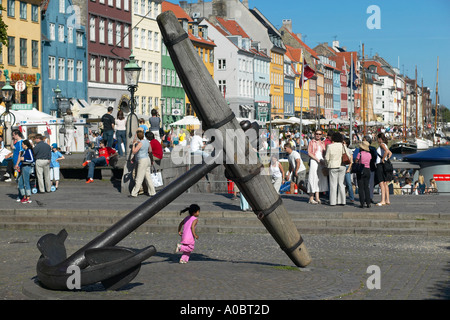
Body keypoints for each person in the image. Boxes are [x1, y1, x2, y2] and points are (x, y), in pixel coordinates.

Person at [325, 132, 351, 206]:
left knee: (333, 184)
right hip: (342, 166)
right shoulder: (343, 145)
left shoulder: (330, 146)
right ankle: (342, 201)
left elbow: (327, 158)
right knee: (342, 184)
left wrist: (327, 164)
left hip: (333, 166)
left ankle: (333, 201)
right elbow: (348, 156)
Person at [129, 130, 156, 197]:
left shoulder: (140, 143)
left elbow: (134, 151)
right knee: (148, 177)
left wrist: (133, 145)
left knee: (139, 178)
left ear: (138, 136)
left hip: (142, 161)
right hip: (147, 159)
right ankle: (153, 192)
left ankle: (134, 193)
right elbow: (150, 150)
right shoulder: (147, 142)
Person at [307, 129, 328, 204]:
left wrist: (324, 160)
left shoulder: (322, 143)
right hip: (314, 160)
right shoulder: (311, 142)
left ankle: (317, 197)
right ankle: (311, 198)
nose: (318, 135)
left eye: (319, 134)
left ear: (321, 135)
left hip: (321, 161)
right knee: (313, 177)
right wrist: (316, 159)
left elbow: (324, 152)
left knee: (320, 178)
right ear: (314, 134)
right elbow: (309, 153)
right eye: (317, 134)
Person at [375, 133, 392, 206]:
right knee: (385, 183)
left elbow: (387, 151)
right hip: (385, 165)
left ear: (379, 138)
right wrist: (387, 158)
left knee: (381, 182)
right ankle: (387, 199)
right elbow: (390, 152)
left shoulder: (382, 144)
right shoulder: (385, 144)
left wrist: (382, 159)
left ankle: (382, 200)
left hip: (380, 165)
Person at [354, 141, 372, 208]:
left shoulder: (360, 154)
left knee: (361, 187)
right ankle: (368, 202)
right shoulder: (369, 154)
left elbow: (356, 160)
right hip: (368, 170)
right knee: (366, 187)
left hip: (361, 170)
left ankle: (362, 203)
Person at [343, 138, 355, 203]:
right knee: (342, 184)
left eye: (343, 142)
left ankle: (351, 197)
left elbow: (351, 161)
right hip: (342, 167)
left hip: (347, 167)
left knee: (348, 183)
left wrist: (348, 169)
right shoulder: (341, 150)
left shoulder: (350, 151)